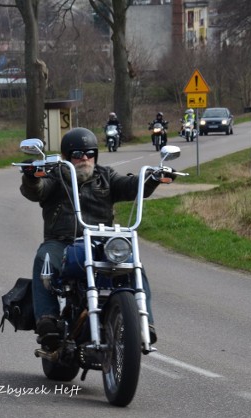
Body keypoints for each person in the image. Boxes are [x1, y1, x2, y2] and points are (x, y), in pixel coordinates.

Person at [20, 127, 170, 350]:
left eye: (90, 154)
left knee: (134, 265)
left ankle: (144, 322)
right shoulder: (56, 175)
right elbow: (37, 191)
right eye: (78, 154)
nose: (85, 159)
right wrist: (32, 177)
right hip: (62, 241)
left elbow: (131, 187)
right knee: (44, 259)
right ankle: (47, 320)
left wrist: (153, 178)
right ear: (66, 156)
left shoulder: (106, 176)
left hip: (101, 241)